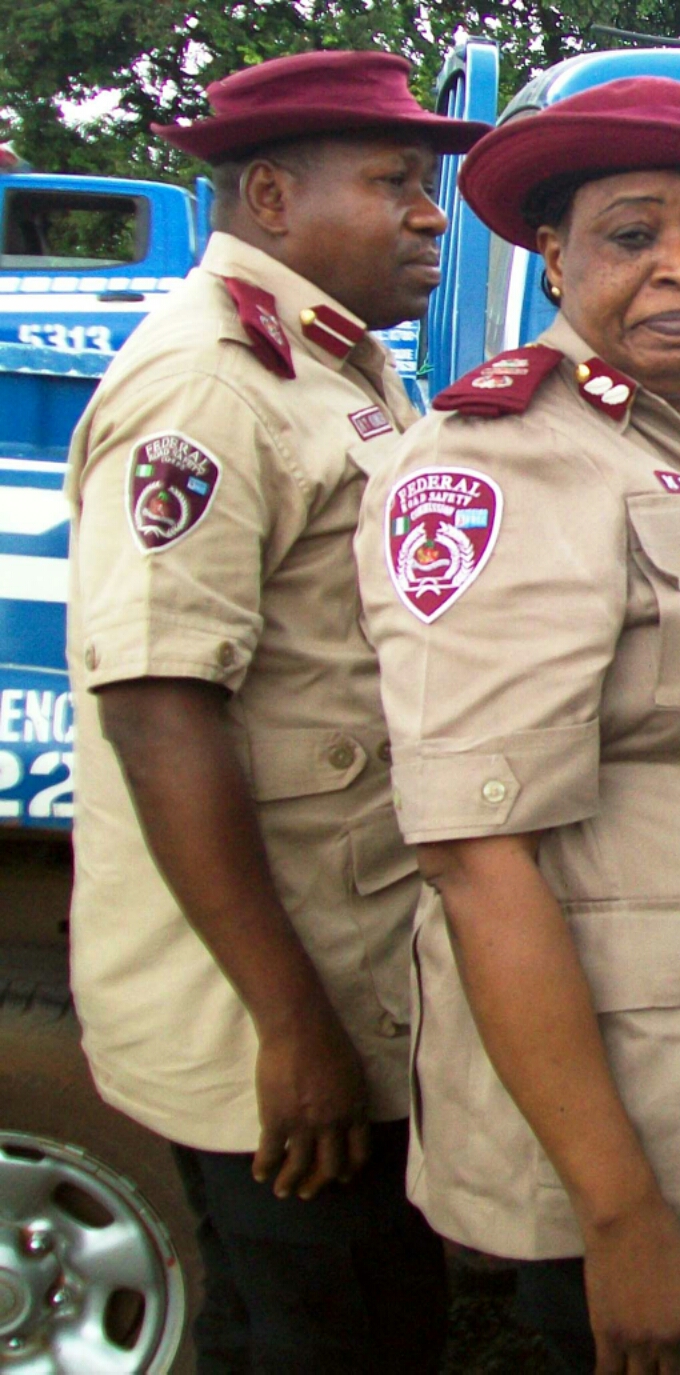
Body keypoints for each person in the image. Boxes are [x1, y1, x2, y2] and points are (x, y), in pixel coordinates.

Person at [354, 77, 680, 1375]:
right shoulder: (507, 460)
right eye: (632, 234)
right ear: (551, 258)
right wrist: (621, 1214)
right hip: (642, 1140)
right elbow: (481, 856)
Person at [62, 49, 486, 1372]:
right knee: (334, 1331)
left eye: (430, 184)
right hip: (281, 1014)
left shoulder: (333, 364)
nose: (433, 214)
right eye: (395, 182)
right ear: (268, 197)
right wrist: (290, 1024)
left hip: (344, 964)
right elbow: (156, 704)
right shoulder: (208, 382)